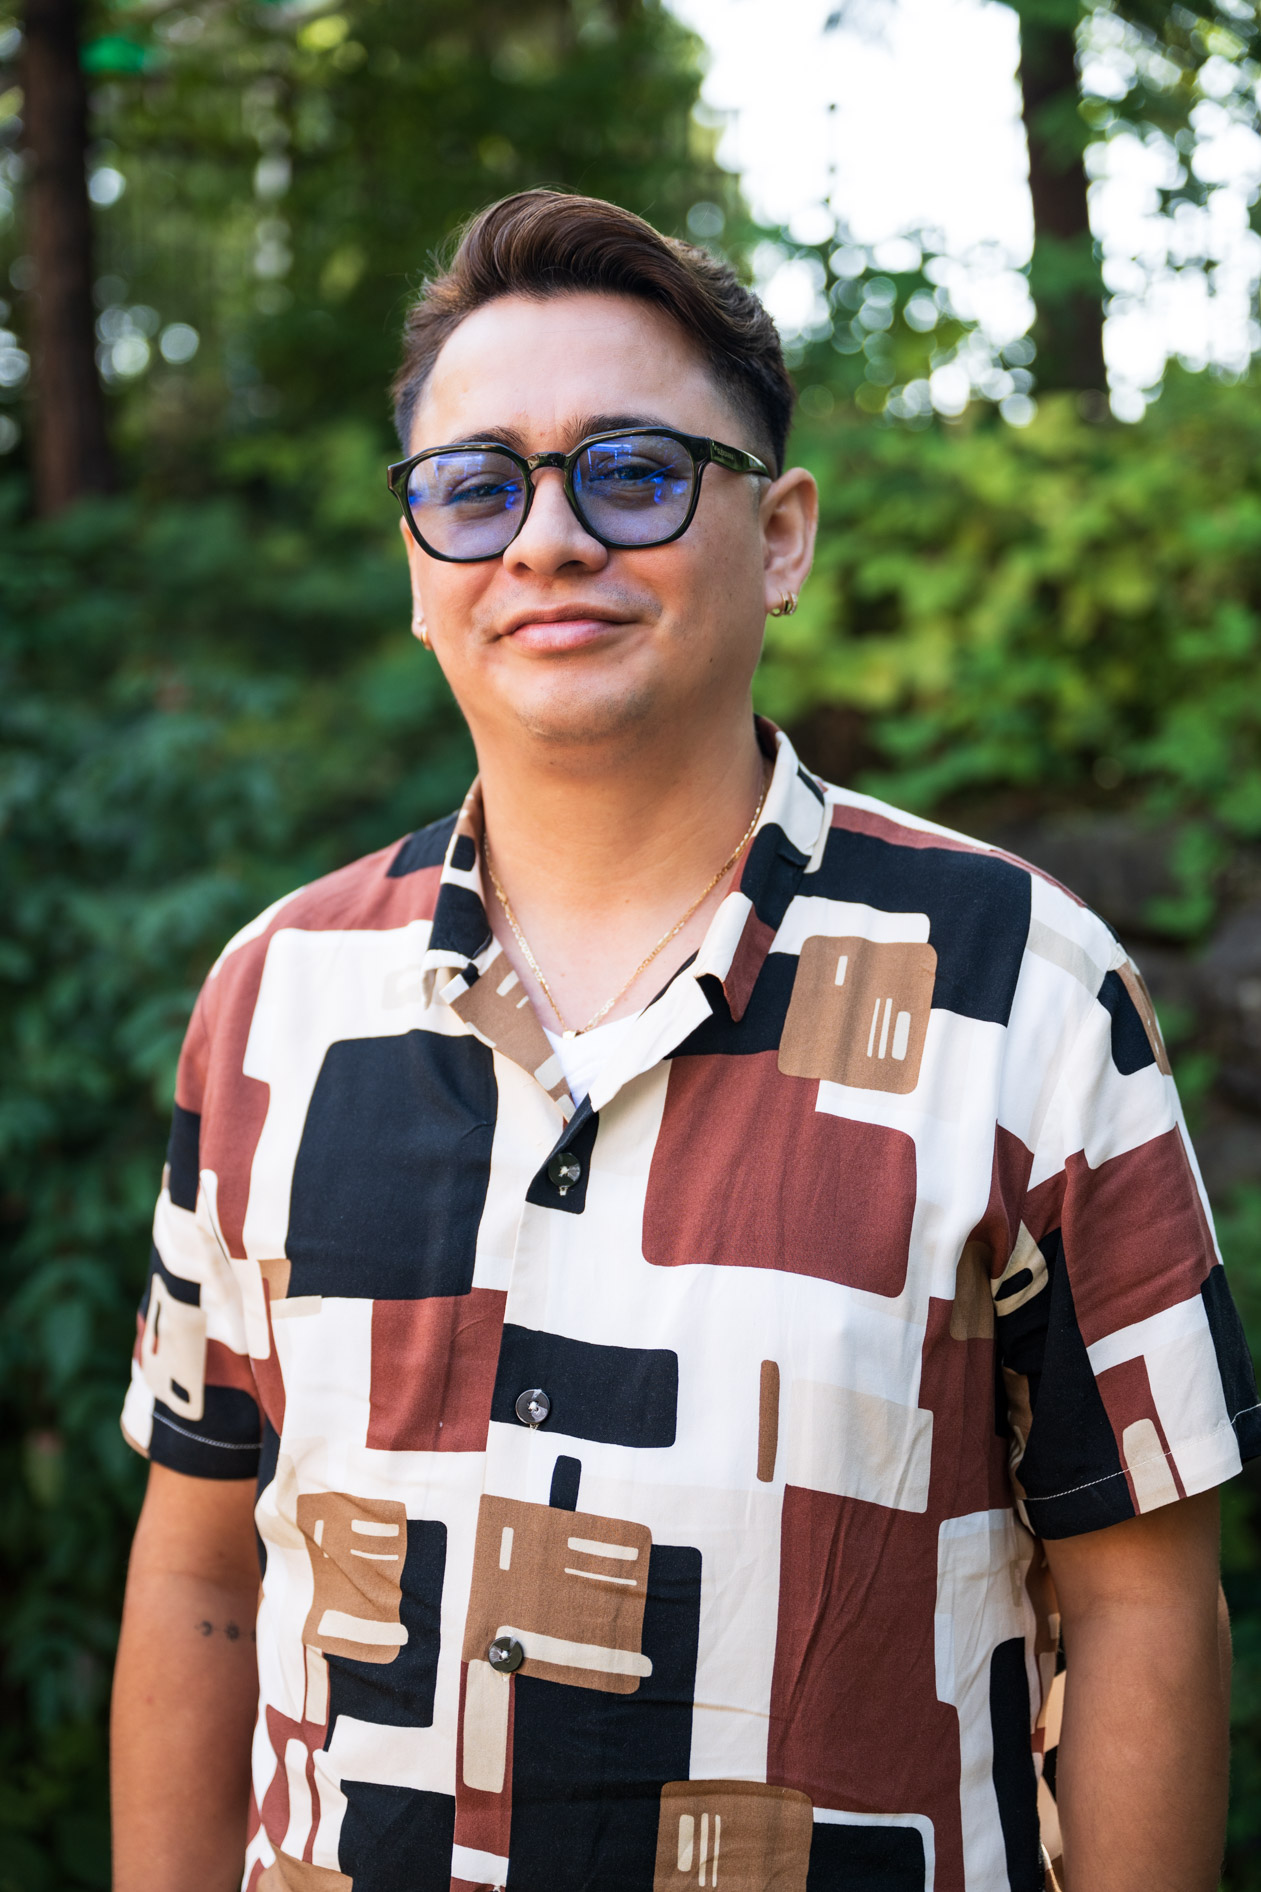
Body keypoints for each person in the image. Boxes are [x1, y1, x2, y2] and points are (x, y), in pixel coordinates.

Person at [110, 189, 1257, 1892]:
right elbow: (203, 1574)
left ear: (778, 535)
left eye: (632, 473)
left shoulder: (1022, 989)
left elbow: (1141, 1596)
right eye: (475, 487)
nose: (547, 540)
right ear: (417, 566)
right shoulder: (275, 998)